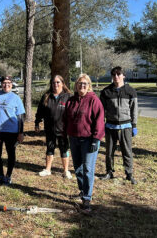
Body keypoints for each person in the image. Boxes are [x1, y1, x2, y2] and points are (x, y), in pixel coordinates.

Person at [64, 74, 104, 212]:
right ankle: (82, 191)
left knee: (88, 169)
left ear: (89, 85)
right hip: (74, 139)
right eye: (80, 83)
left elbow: (99, 121)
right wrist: (65, 133)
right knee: (78, 168)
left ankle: (87, 198)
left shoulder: (94, 100)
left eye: (85, 84)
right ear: (76, 85)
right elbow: (66, 119)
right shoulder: (71, 101)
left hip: (89, 140)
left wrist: (96, 139)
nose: (82, 86)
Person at [100, 66, 138, 184]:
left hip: (126, 126)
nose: (116, 76)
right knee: (109, 151)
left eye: (118, 74)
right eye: (114, 74)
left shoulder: (130, 91)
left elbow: (134, 110)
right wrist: (101, 125)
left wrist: (134, 125)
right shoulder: (106, 92)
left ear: (123, 75)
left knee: (127, 151)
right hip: (110, 126)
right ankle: (109, 172)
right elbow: (101, 111)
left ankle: (129, 173)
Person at [35, 75, 73, 179]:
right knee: (49, 148)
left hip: (63, 130)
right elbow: (40, 111)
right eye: (53, 83)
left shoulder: (68, 96)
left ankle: (65, 171)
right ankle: (47, 169)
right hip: (49, 128)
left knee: (64, 149)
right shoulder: (47, 96)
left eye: (58, 82)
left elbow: (73, 113)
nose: (55, 84)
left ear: (62, 83)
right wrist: (37, 122)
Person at [0, 75, 25, 186]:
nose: (6, 85)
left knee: (11, 154)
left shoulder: (16, 98)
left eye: (9, 83)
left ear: (11, 84)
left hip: (12, 131)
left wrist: (21, 132)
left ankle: (8, 176)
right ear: (1, 84)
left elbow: (20, 116)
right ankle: (0, 174)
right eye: (4, 83)